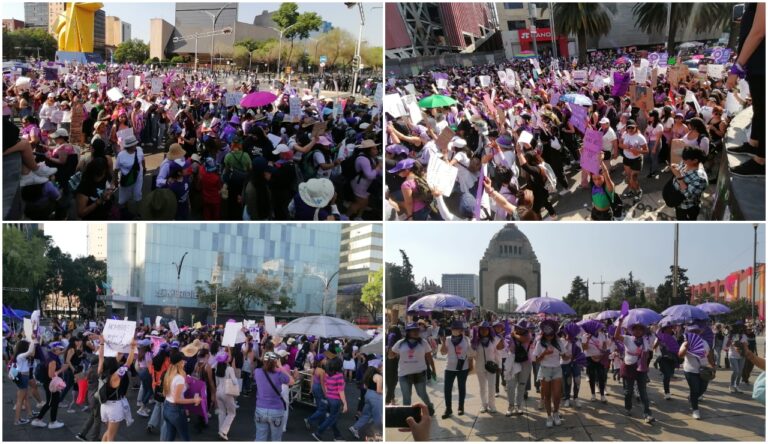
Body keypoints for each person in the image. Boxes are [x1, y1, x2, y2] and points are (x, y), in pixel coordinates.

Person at [726, 2, 764, 176]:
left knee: (764, 111)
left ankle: (761, 160)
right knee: (759, 107)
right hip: (756, 64)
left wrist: (737, 67)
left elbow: (759, 31)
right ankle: (754, 143)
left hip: (762, 63)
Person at [614, 317, 655, 423]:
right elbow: (616, 336)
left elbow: (648, 353)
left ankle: (647, 413)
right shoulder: (628, 338)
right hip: (629, 366)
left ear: (643, 331)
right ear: (632, 330)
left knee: (643, 391)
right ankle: (628, 408)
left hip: (641, 368)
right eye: (635, 329)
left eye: (640, 329)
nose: (638, 331)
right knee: (629, 391)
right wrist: (620, 323)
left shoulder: (645, 341)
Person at [388, 323, 435, 416]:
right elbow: (390, 356)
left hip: (420, 373)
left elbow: (429, 357)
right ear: (408, 332)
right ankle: (408, 416)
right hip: (404, 374)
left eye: (417, 330)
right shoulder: (400, 343)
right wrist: (390, 349)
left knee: (422, 394)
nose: (415, 332)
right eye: (413, 330)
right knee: (406, 398)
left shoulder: (423, 342)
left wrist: (434, 370)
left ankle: (429, 406)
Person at [98, 336, 137, 441]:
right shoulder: (115, 377)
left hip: (104, 406)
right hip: (114, 408)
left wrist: (102, 344)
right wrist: (132, 348)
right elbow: (128, 364)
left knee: (108, 432)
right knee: (111, 437)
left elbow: (101, 357)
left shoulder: (101, 371)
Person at [533, 319, 569, 427]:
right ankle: (549, 416)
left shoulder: (559, 342)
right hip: (545, 369)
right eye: (547, 335)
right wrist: (544, 353)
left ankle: (556, 413)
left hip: (557, 369)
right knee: (547, 395)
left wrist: (573, 355)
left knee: (557, 395)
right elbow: (536, 360)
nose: (549, 337)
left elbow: (564, 356)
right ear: (544, 334)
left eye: (551, 335)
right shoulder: (540, 342)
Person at [162, 349, 201, 441]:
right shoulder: (179, 378)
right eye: (183, 360)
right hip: (176, 410)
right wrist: (194, 400)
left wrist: (185, 386)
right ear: (179, 363)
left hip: (167, 407)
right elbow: (177, 399)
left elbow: (168, 393)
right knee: (185, 438)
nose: (185, 362)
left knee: (170, 437)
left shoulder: (169, 374)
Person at [254, 351, 293, 441]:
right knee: (276, 439)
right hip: (276, 410)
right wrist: (281, 367)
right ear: (275, 362)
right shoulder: (279, 375)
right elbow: (291, 381)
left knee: (260, 438)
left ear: (264, 361)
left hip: (260, 408)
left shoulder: (257, 372)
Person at [679, 325, 715, 419]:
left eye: (696, 331)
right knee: (694, 390)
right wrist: (686, 347)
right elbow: (680, 355)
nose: (695, 333)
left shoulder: (705, 343)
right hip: (690, 370)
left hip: (704, 370)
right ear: (689, 333)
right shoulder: (686, 343)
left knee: (702, 389)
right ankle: (695, 410)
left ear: (700, 333)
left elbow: (709, 355)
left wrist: (713, 366)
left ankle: (692, 398)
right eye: (692, 332)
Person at [31, 341, 68, 429]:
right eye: (60, 349)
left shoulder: (50, 356)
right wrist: (62, 369)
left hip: (50, 384)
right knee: (50, 403)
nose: (62, 350)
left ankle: (51, 421)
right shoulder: (53, 360)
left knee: (53, 402)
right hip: (51, 384)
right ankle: (42, 420)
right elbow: (51, 375)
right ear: (55, 349)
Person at [439, 320, 471, 418]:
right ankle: (448, 408)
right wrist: (443, 343)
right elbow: (443, 353)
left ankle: (461, 407)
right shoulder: (447, 339)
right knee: (447, 389)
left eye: (457, 329)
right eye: (453, 329)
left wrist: (471, 366)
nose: (455, 331)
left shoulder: (466, 339)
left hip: (463, 368)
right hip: (449, 368)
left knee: (462, 387)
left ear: (461, 330)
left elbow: (470, 354)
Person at [311, 357, 347, 441]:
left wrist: (327, 395)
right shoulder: (339, 376)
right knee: (332, 418)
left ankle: (337, 436)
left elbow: (326, 385)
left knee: (332, 417)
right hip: (335, 400)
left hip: (329, 398)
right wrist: (345, 403)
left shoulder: (327, 374)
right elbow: (341, 391)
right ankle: (318, 433)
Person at [473, 321, 503, 414]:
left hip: (492, 367)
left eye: (485, 329)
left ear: (489, 330)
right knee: (482, 387)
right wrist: (472, 344)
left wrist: (499, 365)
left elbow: (497, 354)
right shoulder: (475, 341)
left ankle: (492, 405)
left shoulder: (493, 340)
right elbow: (471, 354)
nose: (483, 331)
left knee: (491, 387)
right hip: (480, 367)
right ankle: (484, 404)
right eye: (481, 329)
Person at [670, 147, 708, 220]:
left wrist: (679, 177)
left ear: (695, 160)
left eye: (685, 159)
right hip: (678, 203)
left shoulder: (700, 178)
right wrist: (676, 167)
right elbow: (681, 169)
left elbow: (689, 196)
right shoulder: (685, 162)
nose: (683, 160)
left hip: (687, 208)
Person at [504, 320, 533, 416]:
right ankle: (511, 406)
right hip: (513, 363)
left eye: (521, 328)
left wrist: (514, 335)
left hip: (525, 363)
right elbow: (504, 346)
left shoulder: (528, 336)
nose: (519, 329)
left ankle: (518, 406)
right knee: (511, 385)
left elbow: (524, 340)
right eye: (517, 327)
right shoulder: (509, 336)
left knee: (522, 385)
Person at [349, 359, 382, 439]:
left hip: (368, 395)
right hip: (376, 397)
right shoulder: (378, 376)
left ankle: (355, 427)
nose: (382, 367)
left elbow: (365, 386)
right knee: (378, 416)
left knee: (366, 415)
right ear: (377, 367)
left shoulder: (368, 375)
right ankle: (379, 434)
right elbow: (379, 390)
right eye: (381, 365)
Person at [619, 120, 648, 202]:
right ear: (626, 128)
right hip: (627, 158)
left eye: (632, 127)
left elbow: (646, 150)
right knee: (628, 177)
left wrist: (637, 151)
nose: (630, 129)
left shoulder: (640, 137)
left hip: (637, 160)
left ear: (636, 127)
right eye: (629, 127)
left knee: (633, 178)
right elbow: (620, 144)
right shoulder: (625, 134)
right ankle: (631, 191)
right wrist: (626, 147)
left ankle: (639, 191)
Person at [214, 350, 238, 440]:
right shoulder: (229, 369)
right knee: (232, 413)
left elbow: (216, 382)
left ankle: (221, 430)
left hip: (218, 392)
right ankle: (223, 431)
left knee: (222, 412)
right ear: (226, 360)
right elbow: (235, 381)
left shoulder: (217, 368)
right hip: (227, 392)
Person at [12, 337, 36, 425]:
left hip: (22, 377)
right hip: (23, 377)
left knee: (24, 398)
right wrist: (33, 340)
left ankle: (29, 414)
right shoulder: (21, 356)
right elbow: (30, 352)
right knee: (20, 400)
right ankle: (17, 420)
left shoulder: (20, 355)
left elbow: (31, 353)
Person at [725, 322, 749, 392]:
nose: (740, 329)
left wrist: (747, 353)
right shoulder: (731, 335)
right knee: (736, 371)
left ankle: (737, 386)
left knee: (740, 372)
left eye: (741, 327)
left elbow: (746, 346)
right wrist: (731, 342)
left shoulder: (744, 336)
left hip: (742, 356)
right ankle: (732, 385)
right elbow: (726, 346)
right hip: (732, 355)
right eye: (739, 327)